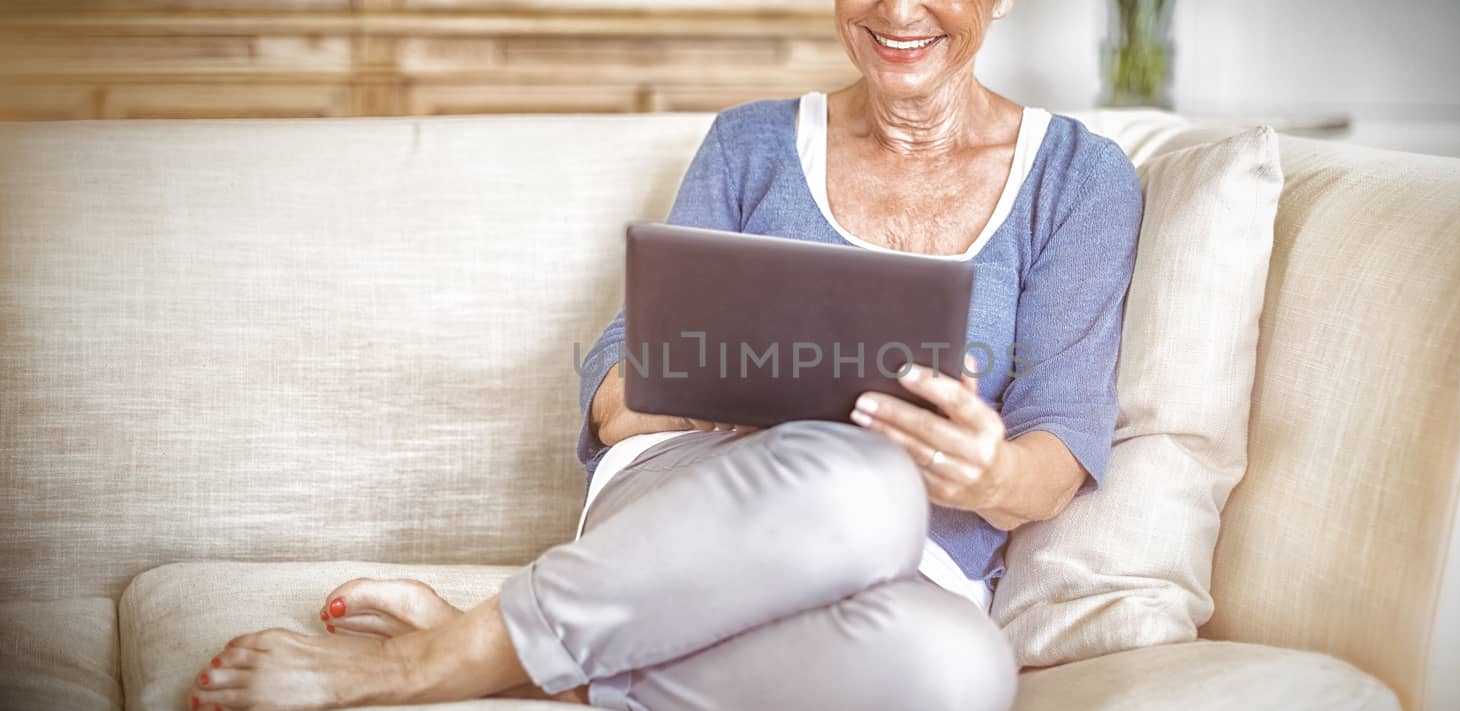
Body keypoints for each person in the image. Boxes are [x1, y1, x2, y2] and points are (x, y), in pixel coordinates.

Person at [184, 0, 1141, 709]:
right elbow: (616, 389)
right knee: (865, 480)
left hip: (914, 566)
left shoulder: (1078, 178)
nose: (896, 10)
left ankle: (519, 658)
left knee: (962, 674)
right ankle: (418, 667)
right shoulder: (751, 143)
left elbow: (1056, 458)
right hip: (687, 494)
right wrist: (722, 392)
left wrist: (986, 468)